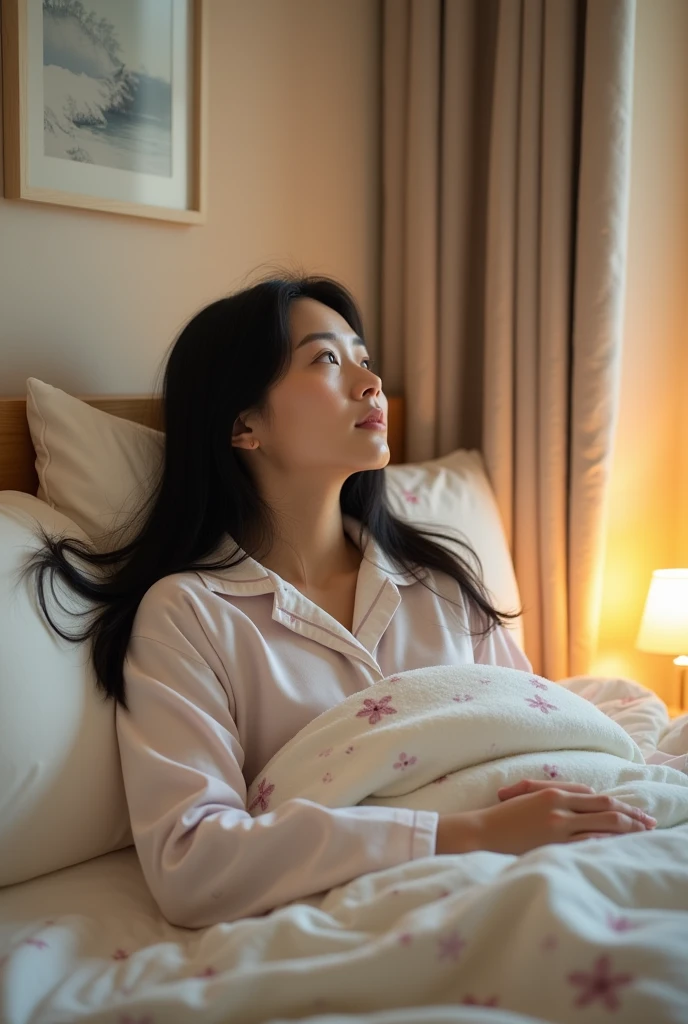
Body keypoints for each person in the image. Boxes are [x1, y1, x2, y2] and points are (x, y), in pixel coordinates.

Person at [29, 273, 656, 928]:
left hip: (555, 865)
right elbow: (193, 860)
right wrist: (466, 833)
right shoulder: (190, 615)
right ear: (244, 424)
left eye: (364, 358)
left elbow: (530, 726)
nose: (369, 382)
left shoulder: (437, 581)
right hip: (418, 904)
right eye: (327, 359)